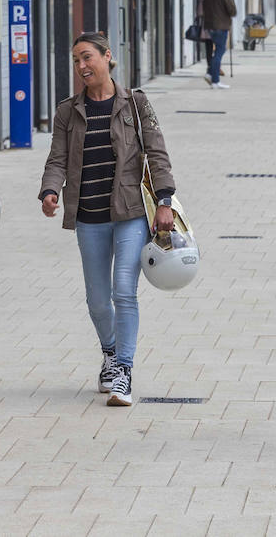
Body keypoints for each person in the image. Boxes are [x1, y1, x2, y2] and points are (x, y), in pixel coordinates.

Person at [39, 31, 177, 407]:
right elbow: (57, 158)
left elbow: (157, 153)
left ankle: (124, 372)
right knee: (98, 301)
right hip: (89, 215)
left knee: (123, 291)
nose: (81, 66)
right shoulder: (68, 111)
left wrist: (165, 200)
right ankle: (110, 352)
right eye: (76, 60)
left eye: (87, 57)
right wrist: (50, 190)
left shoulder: (136, 103)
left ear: (107, 57)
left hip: (130, 212)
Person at [201, 0, 236, 90]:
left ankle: (210, 73)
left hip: (209, 25)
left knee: (217, 51)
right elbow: (232, 10)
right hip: (221, 26)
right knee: (219, 51)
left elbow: (204, 7)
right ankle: (215, 80)